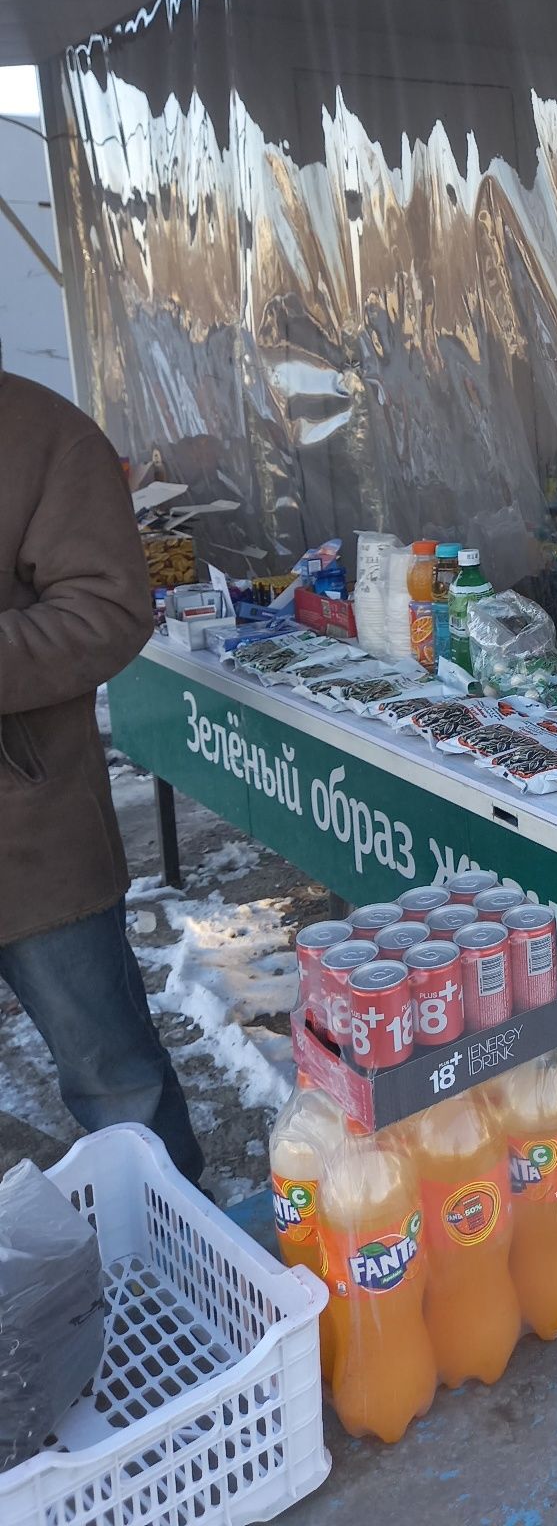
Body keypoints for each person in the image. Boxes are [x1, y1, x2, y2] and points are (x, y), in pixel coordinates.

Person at [0, 361, 202, 1182]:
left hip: (29, 840)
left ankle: (186, 1278)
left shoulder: (41, 432)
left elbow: (108, 610)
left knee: (117, 1083)